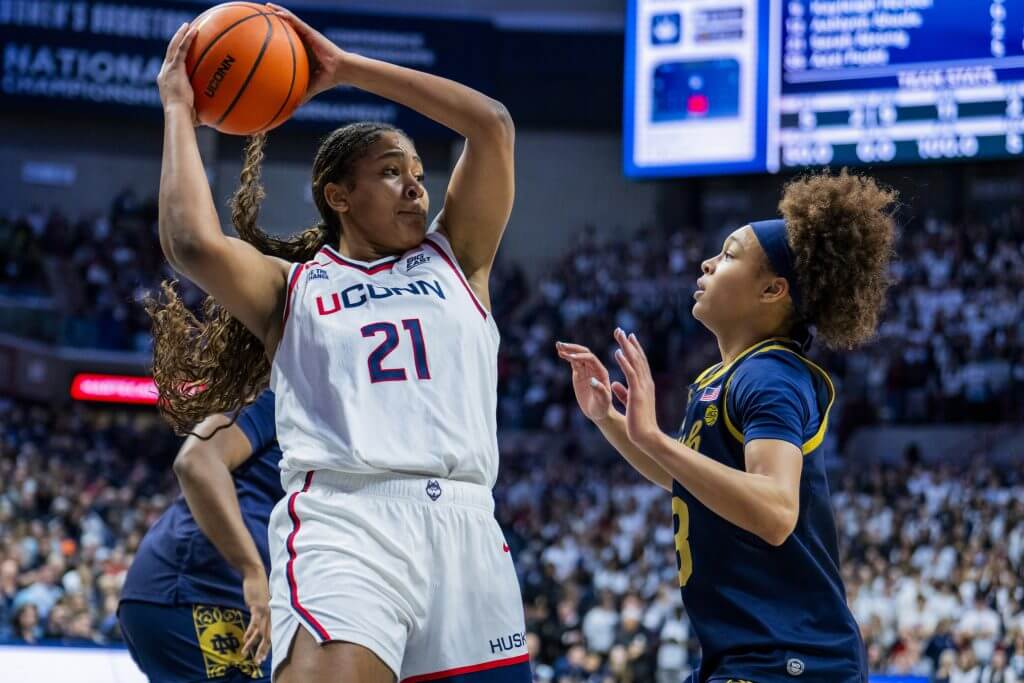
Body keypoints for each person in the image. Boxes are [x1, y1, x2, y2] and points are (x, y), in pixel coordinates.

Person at [151, 4, 528, 682]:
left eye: (417, 169)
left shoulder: (460, 257)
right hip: (347, 524)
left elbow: (492, 124)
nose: (416, 183)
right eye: (390, 170)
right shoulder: (290, 286)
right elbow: (191, 243)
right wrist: (179, 108)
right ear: (339, 195)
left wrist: (347, 69)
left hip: (468, 527)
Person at [557, 170, 897, 682]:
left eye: (730, 254)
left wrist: (651, 436)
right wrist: (610, 419)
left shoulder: (772, 375)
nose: (707, 262)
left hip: (791, 659)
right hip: (747, 654)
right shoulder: (726, 376)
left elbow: (776, 510)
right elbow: (689, 481)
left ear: (772, 289)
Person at [119, 390, 280, 682]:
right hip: (198, 587)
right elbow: (196, 461)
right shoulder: (279, 396)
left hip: (204, 592)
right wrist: (252, 569)